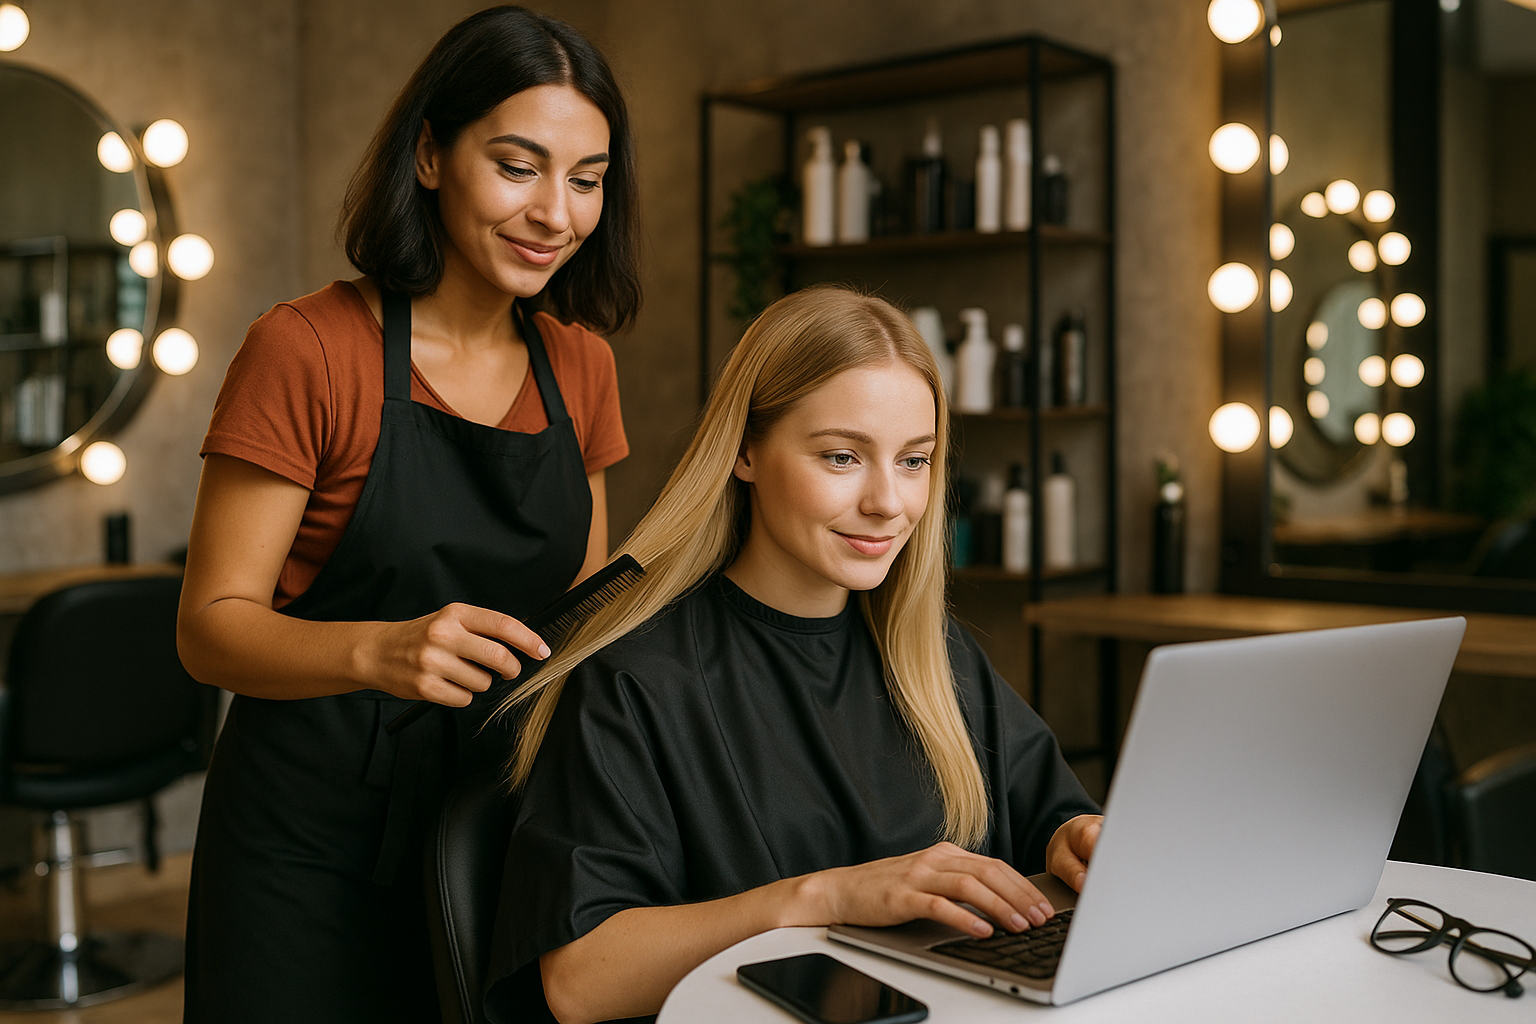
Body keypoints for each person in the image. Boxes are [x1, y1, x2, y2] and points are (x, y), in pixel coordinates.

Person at [175, 7, 639, 1021]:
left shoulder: (581, 366)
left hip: (495, 828)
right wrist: (379, 653)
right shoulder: (307, 349)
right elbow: (209, 630)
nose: (555, 212)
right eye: (518, 166)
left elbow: (578, 619)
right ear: (430, 154)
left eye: (586, 178)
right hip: (306, 846)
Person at [485, 287, 1103, 1024]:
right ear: (745, 450)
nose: (888, 502)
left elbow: (1053, 819)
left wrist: (1079, 840)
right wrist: (823, 897)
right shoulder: (633, 680)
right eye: (842, 457)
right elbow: (580, 979)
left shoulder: (935, 657)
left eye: (914, 461)